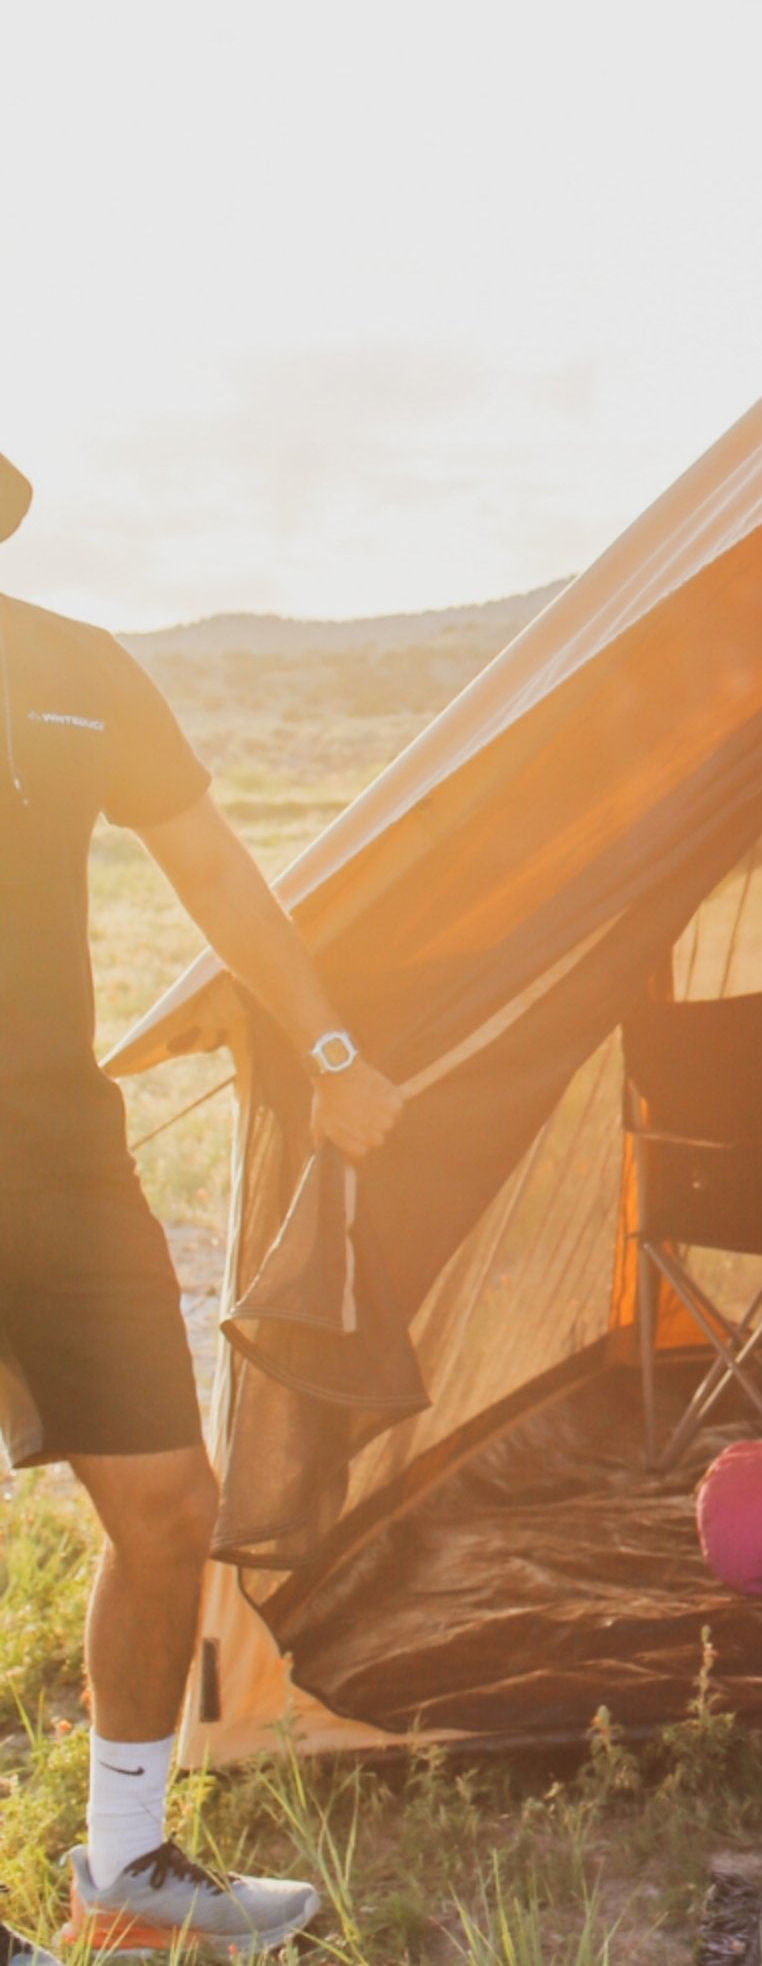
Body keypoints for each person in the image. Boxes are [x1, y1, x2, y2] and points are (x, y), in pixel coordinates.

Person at [0, 451, 404, 1962]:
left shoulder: (77, 670)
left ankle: (125, 1865)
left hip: (60, 1158)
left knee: (168, 1505)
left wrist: (331, 1045)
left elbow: (215, 866)